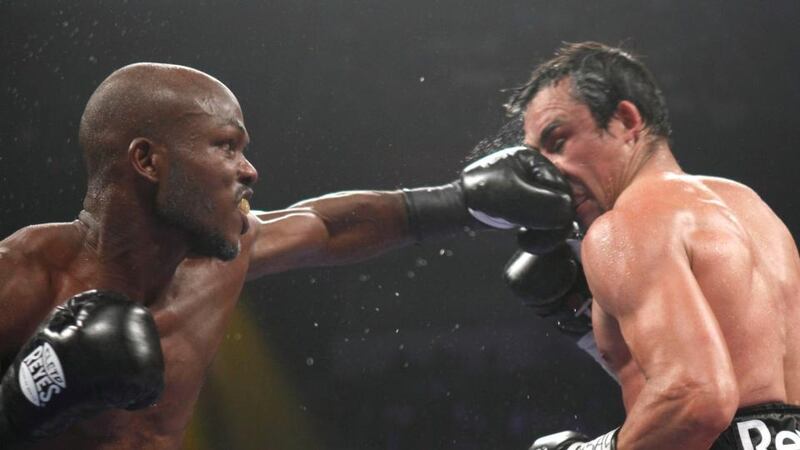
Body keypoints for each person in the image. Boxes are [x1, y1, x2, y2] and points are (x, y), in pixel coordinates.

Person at [0, 62, 574, 449]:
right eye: (226, 146)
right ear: (147, 162)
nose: (249, 170)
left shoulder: (224, 254)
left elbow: (325, 226)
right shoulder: (22, 279)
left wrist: (460, 203)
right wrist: (18, 404)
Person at [505, 42, 800, 450]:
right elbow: (751, 404)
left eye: (558, 142)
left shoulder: (619, 227)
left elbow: (697, 398)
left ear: (627, 120)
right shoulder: (751, 207)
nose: (548, 173)